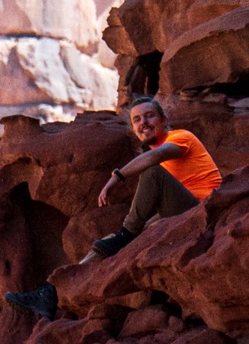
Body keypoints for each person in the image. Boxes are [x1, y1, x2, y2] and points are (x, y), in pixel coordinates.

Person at [89, 98, 220, 257]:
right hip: (180, 208)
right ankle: (77, 270)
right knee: (117, 240)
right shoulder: (152, 156)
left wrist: (117, 176)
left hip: (204, 206)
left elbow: (156, 156)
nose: (143, 122)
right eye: (137, 120)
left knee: (152, 172)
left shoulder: (181, 137)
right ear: (133, 129)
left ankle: (126, 233)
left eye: (149, 116)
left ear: (164, 119)